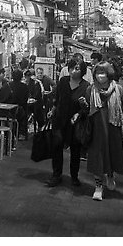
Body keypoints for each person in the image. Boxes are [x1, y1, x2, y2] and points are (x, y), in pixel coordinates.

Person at [84, 61, 123, 201]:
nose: (100, 76)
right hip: (96, 129)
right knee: (97, 157)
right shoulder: (90, 90)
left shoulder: (119, 90)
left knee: (111, 154)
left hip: (113, 128)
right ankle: (98, 186)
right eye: (97, 73)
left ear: (109, 74)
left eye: (103, 73)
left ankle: (110, 176)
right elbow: (86, 111)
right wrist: (83, 106)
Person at [45, 58, 91, 187]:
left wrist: (79, 113)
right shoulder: (63, 81)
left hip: (75, 123)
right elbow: (57, 99)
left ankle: (74, 176)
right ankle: (56, 175)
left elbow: (87, 107)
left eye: (77, 68)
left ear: (82, 71)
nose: (73, 71)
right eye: (71, 67)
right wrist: (53, 110)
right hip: (59, 120)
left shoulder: (86, 86)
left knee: (75, 151)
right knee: (57, 147)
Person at [8, 69, 29, 140]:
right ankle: (21, 133)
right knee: (24, 113)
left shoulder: (8, 85)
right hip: (20, 109)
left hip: (8, 110)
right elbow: (25, 100)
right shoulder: (24, 86)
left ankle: (9, 131)